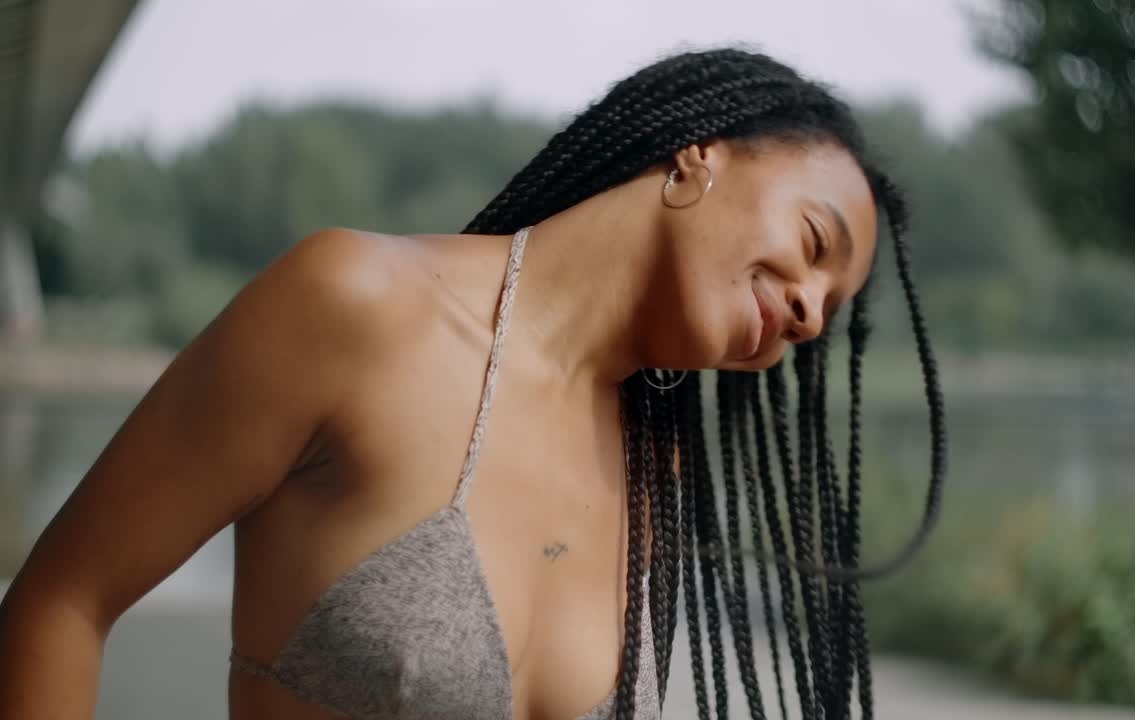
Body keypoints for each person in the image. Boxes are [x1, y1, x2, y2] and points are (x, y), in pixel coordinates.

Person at [0, 46, 944, 720]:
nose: (811, 312)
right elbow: (61, 603)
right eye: (816, 246)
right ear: (698, 150)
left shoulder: (657, 473)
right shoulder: (356, 308)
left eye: (829, 305)